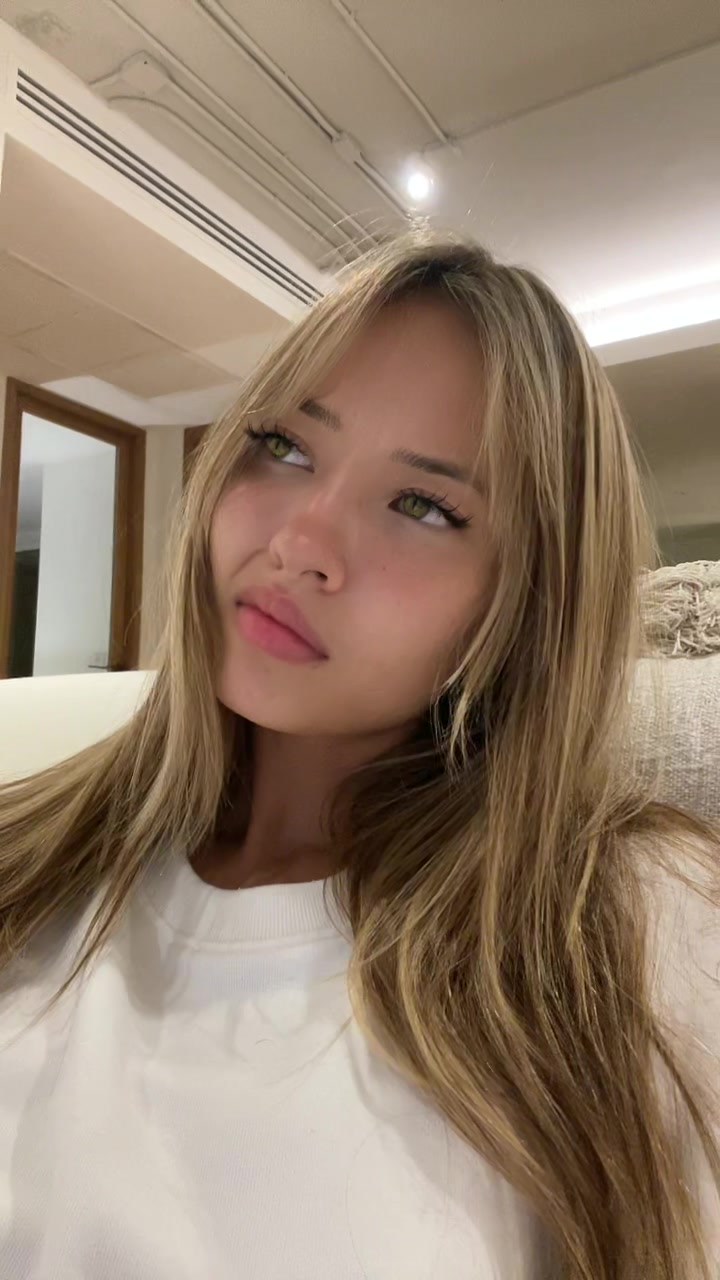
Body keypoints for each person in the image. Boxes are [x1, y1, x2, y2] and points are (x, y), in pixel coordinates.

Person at [0, 234, 718, 1280]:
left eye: (423, 505)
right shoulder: (31, 854)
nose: (301, 544)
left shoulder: (629, 921)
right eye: (284, 446)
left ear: (527, 602)